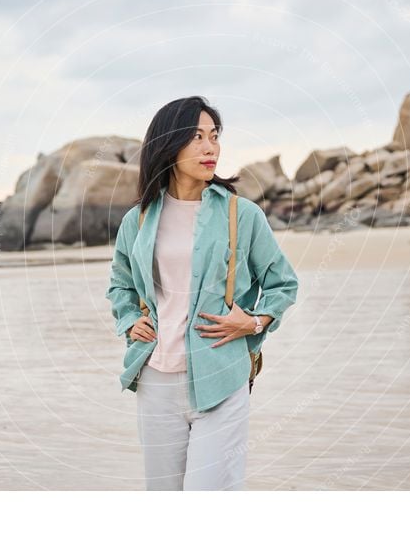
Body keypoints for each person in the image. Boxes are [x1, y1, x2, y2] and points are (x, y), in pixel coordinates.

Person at [105, 95, 299, 490]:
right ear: (168, 144)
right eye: (196, 137)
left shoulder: (241, 214)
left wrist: (256, 320)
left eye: (214, 136)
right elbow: (120, 283)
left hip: (221, 376)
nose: (210, 147)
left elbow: (283, 282)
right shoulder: (138, 218)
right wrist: (129, 320)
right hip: (156, 378)